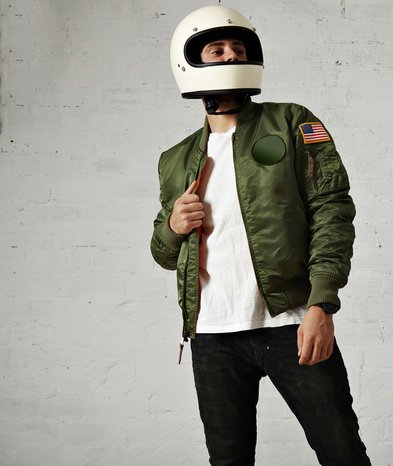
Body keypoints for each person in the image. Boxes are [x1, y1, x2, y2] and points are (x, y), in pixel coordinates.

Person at [149, 5, 371, 466]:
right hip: (212, 336)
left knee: (341, 452)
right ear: (191, 61)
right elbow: (164, 253)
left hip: (291, 323)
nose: (231, 56)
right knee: (228, 462)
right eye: (217, 48)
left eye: (239, 48)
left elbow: (332, 209)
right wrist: (173, 227)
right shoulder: (175, 159)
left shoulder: (291, 122)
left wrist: (320, 305)